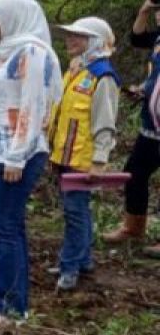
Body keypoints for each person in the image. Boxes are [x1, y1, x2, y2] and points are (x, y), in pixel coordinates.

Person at [0, 0, 63, 328]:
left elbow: (33, 107)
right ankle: (10, 296)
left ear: (13, 18)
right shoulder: (0, 53)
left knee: (3, 229)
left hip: (15, 155)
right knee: (8, 228)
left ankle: (6, 307)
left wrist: (16, 156)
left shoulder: (32, 53)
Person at [47, 17, 120, 290]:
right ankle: (83, 259)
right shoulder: (75, 71)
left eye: (78, 36)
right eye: (69, 35)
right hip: (65, 157)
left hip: (82, 160)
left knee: (75, 214)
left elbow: (105, 123)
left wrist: (99, 160)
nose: (70, 40)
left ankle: (70, 267)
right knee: (77, 213)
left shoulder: (103, 76)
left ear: (94, 42)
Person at [103, 0, 160, 258]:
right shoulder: (158, 39)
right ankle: (133, 227)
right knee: (135, 172)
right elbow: (137, 38)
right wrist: (144, 10)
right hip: (152, 125)